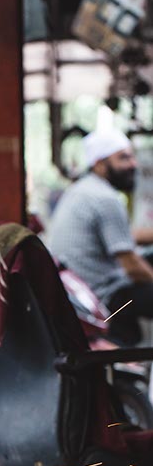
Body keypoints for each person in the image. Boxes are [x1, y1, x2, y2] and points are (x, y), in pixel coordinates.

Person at [46, 128, 153, 346]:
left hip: (76, 294)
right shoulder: (106, 199)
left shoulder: (82, 189)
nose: (133, 164)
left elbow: (124, 237)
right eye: (123, 158)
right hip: (103, 301)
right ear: (100, 164)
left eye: (131, 156)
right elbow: (132, 267)